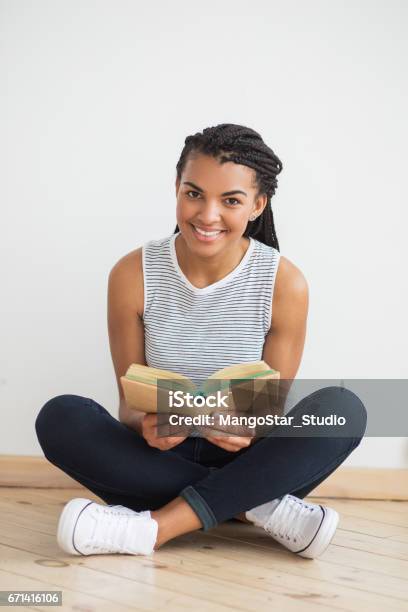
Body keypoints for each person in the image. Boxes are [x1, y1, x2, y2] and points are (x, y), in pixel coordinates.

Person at [35, 123, 367, 560]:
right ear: (176, 188)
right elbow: (128, 406)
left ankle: (151, 529)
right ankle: (256, 506)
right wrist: (143, 424)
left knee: (344, 410)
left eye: (230, 200)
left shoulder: (284, 283)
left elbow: (268, 410)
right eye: (194, 194)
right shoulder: (132, 274)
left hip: (246, 458)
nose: (207, 216)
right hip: (160, 459)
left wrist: (250, 426)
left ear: (257, 205)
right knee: (60, 417)